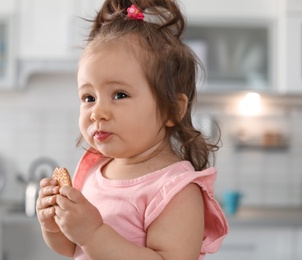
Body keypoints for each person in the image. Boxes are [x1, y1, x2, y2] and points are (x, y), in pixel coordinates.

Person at [37, 0, 228, 259]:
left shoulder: (176, 190)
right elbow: (74, 248)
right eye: (88, 97)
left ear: (172, 109)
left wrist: (92, 233)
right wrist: (54, 226)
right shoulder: (95, 171)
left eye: (119, 94)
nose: (97, 112)